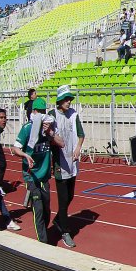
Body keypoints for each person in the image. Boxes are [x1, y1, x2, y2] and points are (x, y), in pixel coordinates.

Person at [12, 98, 65, 244]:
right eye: (39, 112)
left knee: (47, 208)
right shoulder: (27, 128)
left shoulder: (48, 129)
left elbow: (62, 143)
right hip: (31, 176)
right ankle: (43, 242)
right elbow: (15, 148)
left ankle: (44, 232)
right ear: (33, 112)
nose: (41, 115)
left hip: (45, 176)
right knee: (38, 209)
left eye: (43, 112)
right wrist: (25, 155)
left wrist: (50, 133)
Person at [49, 85, 85, 248]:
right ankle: (64, 231)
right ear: (59, 100)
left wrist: (78, 147)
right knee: (63, 200)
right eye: (66, 99)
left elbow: (81, 134)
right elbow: (47, 134)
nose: (69, 102)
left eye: (70, 99)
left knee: (70, 196)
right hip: (59, 163)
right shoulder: (52, 115)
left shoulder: (74, 115)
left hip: (72, 162)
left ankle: (58, 219)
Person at [0, 108, 20, 231]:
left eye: (5, 117)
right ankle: (8, 220)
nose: (4, 120)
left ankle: (8, 220)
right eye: (1, 117)